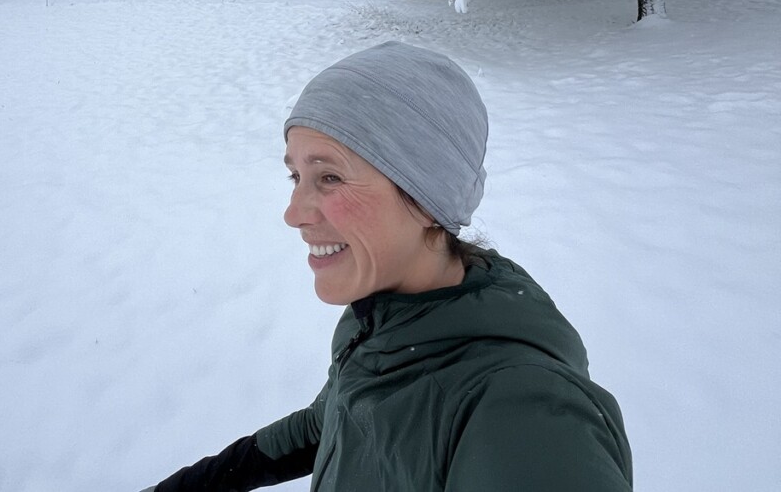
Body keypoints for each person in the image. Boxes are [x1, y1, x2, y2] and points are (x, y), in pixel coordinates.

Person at [141, 41, 632, 491]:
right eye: (295, 175)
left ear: (425, 200)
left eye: (329, 176)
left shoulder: (524, 415)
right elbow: (334, 420)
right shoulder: (383, 318)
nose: (293, 212)